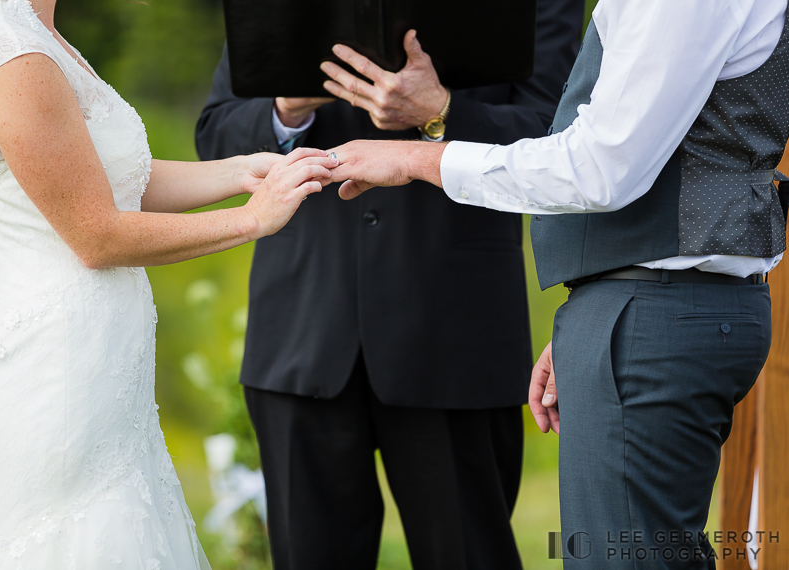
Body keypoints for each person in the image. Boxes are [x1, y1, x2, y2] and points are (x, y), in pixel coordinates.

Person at [325, 0, 789, 568]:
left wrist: (421, 161)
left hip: (657, 312)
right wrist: (599, 317)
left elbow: (600, 169)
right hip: (649, 306)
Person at [0, 0, 337, 567]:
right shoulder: (13, 54)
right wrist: (252, 219)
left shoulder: (33, 30)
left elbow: (111, 180)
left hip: (100, 376)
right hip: (56, 378)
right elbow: (96, 234)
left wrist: (242, 171)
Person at [195, 0, 583, 567]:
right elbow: (215, 135)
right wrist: (287, 107)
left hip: (453, 334)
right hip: (301, 331)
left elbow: (560, 137)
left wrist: (441, 113)